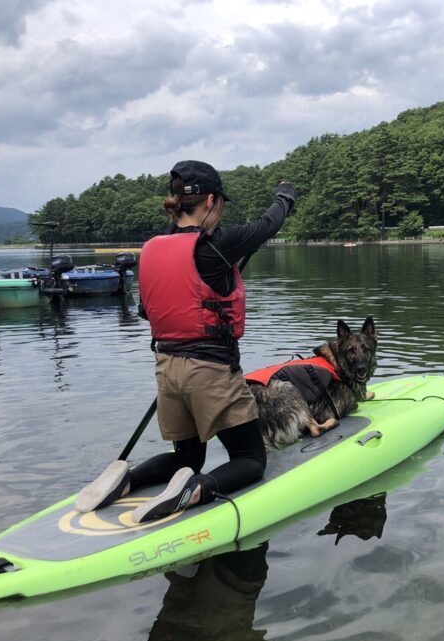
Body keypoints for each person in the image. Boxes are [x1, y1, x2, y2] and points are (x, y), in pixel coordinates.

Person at [75, 160, 296, 523]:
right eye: (220, 204)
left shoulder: (152, 250)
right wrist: (285, 196)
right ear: (210, 201)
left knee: (187, 458)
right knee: (251, 460)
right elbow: (268, 224)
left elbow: (149, 311)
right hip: (209, 373)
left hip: (167, 372)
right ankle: (196, 490)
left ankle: (128, 481)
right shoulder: (216, 245)